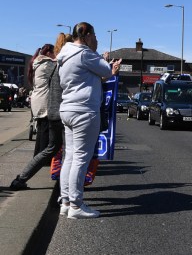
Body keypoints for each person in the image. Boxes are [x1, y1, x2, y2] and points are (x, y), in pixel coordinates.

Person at [58, 22, 121, 219]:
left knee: (69, 157)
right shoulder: (84, 53)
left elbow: (91, 78)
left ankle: (66, 202)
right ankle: (76, 205)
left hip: (68, 108)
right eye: (94, 35)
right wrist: (111, 66)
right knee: (80, 158)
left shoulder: (65, 53)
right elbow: (106, 72)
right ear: (85, 36)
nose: (96, 39)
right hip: (84, 111)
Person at [10, 40, 59, 190]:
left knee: (46, 140)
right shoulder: (47, 64)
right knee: (48, 142)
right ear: (49, 53)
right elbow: (61, 66)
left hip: (38, 100)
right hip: (46, 102)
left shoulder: (37, 62)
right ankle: (31, 169)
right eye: (55, 51)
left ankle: (33, 166)